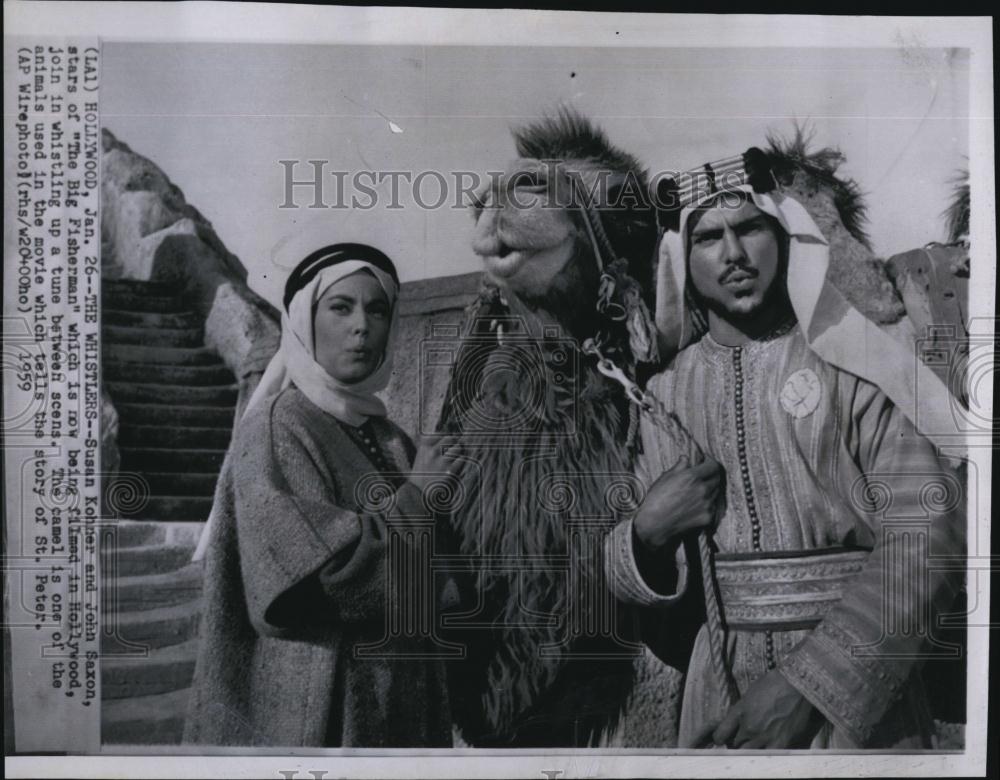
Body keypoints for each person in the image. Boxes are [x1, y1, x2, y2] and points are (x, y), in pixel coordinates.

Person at [604, 175, 965, 749]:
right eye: (709, 237)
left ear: (786, 239)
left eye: (750, 228)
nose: (734, 253)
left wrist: (806, 687)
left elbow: (929, 538)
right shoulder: (663, 397)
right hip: (719, 706)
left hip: (856, 709)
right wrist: (646, 532)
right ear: (682, 259)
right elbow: (615, 572)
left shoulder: (857, 368)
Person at [184, 237, 460, 747]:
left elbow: (435, 583)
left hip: (395, 710)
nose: (362, 326)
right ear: (304, 320)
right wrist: (418, 499)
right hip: (314, 720)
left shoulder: (390, 439)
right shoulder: (278, 426)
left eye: (377, 310)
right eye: (341, 307)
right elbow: (322, 578)